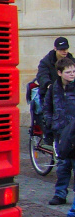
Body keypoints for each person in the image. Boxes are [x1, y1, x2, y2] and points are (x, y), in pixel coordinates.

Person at [48, 56, 75, 205]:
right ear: (59, 73)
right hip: (60, 133)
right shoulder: (54, 88)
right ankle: (60, 194)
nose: (72, 74)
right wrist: (50, 126)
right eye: (68, 72)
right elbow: (48, 108)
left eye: (74, 71)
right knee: (63, 166)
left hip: (74, 133)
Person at [37, 37, 69, 101]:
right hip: (50, 94)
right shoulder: (46, 61)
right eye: (61, 49)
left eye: (66, 49)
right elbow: (42, 75)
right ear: (55, 48)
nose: (64, 51)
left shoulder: (71, 60)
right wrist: (48, 84)